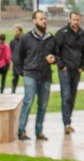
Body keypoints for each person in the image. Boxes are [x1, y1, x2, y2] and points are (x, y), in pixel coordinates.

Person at [14, 11, 57, 141]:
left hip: (46, 76)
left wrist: (54, 59)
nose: (44, 21)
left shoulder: (51, 38)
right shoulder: (26, 38)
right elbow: (17, 57)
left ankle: (39, 131)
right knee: (28, 102)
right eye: (41, 19)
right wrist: (22, 73)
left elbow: (58, 55)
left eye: (45, 18)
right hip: (30, 74)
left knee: (42, 105)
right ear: (34, 21)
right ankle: (21, 131)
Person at [54, 11, 84, 134]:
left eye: (77, 20)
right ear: (70, 20)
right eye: (73, 19)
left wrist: (82, 66)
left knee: (72, 97)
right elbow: (55, 50)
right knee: (66, 96)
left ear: (80, 20)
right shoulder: (62, 33)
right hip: (65, 69)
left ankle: (68, 120)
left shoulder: (82, 34)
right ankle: (66, 123)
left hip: (76, 69)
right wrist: (61, 65)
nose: (75, 22)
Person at [8, 24, 24, 93]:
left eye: (17, 31)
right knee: (14, 78)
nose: (15, 32)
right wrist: (12, 60)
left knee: (26, 77)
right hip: (15, 62)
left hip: (24, 62)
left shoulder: (24, 40)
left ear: (20, 31)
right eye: (15, 31)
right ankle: (13, 91)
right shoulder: (12, 42)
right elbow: (11, 52)